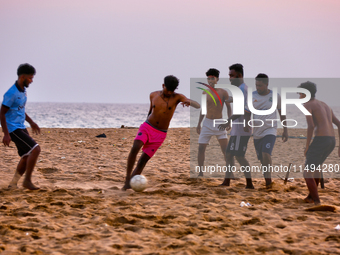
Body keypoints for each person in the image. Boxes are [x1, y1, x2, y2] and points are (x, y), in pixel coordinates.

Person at [122, 75, 200, 190]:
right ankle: (127, 179)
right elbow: (150, 112)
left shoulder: (177, 97)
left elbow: (197, 105)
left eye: (172, 90)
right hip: (147, 127)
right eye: (167, 89)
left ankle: (131, 183)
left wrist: (189, 101)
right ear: (163, 86)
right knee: (135, 147)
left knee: (143, 160)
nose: (169, 92)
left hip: (160, 134)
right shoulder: (153, 95)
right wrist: (145, 125)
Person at [298, 81, 340, 205]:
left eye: (300, 93)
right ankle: (311, 196)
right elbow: (338, 124)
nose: (299, 96)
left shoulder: (307, 105)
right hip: (331, 141)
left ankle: (317, 201)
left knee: (307, 172)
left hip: (321, 140)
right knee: (315, 167)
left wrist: (307, 146)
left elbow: (310, 126)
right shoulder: (325, 105)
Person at [0, 63, 41, 190]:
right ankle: (27, 181)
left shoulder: (23, 91)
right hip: (13, 129)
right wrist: (6, 134)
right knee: (36, 149)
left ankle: (13, 184)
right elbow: (1, 113)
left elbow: (21, 110)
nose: (32, 80)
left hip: (21, 126)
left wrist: (31, 122)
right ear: (22, 77)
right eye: (30, 78)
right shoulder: (11, 93)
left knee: (26, 155)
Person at [219, 63, 254, 188]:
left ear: (239, 75)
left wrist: (227, 121)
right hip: (237, 129)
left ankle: (249, 184)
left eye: (232, 76)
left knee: (239, 156)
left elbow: (242, 110)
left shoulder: (242, 89)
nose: (230, 78)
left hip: (242, 130)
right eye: (229, 75)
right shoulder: (241, 89)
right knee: (229, 154)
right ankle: (226, 181)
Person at [251, 73, 288, 187]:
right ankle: (267, 179)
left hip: (270, 130)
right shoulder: (252, 96)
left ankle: (269, 181)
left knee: (266, 153)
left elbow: (282, 113)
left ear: (267, 84)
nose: (258, 88)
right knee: (262, 159)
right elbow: (245, 111)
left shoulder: (275, 96)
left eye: (260, 86)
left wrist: (285, 129)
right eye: (256, 85)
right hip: (256, 132)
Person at [196, 68, 231, 176]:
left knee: (225, 150)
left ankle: (230, 173)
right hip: (207, 123)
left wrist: (229, 121)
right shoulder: (204, 92)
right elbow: (203, 109)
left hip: (219, 123)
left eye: (212, 78)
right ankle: (201, 173)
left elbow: (229, 108)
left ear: (217, 79)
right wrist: (199, 124)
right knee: (201, 148)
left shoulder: (223, 92)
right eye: (208, 78)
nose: (210, 80)